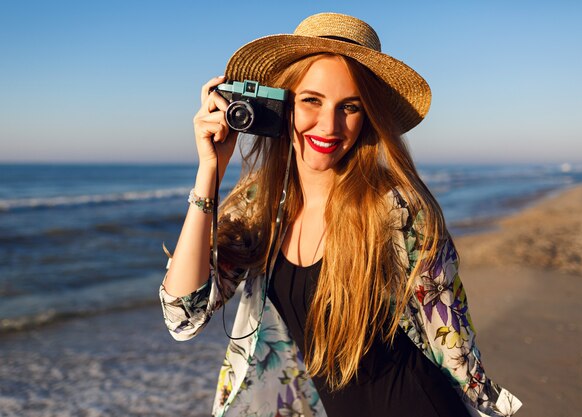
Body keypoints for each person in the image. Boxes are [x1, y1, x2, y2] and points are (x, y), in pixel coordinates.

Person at [159, 12, 521, 417]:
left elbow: (456, 346)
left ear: (367, 117)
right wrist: (210, 171)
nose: (329, 126)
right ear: (282, 105)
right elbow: (183, 315)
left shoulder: (397, 209)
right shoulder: (260, 207)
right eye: (311, 100)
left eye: (349, 107)